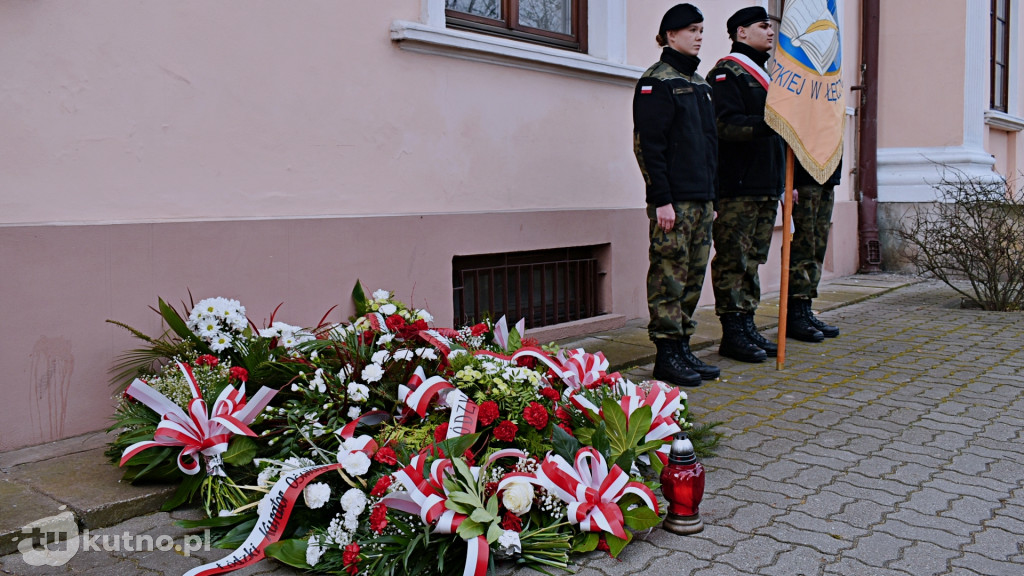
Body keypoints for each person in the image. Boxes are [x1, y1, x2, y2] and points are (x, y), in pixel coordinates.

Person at [633, 3, 719, 387]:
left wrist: (711, 199)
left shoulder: (700, 85)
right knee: (669, 276)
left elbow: (709, 147)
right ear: (671, 35)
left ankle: (683, 346)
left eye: (701, 30)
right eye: (692, 30)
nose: (700, 36)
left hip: (700, 201)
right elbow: (649, 146)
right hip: (674, 203)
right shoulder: (657, 82)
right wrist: (661, 199)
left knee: (692, 277)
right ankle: (666, 354)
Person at [708, 6, 788, 363]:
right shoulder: (727, 74)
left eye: (770, 26)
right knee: (733, 261)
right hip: (738, 186)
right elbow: (724, 127)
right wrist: (768, 123)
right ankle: (732, 332)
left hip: (764, 184)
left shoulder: (765, 74)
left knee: (753, 259)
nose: (770, 31)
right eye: (762, 26)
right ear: (741, 33)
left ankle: (747, 321)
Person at [787, 161, 843, 339]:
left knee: (817, 249)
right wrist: (791, 182)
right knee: (802, 248)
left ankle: (805, 309)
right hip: (804, 178)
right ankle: (796, 314)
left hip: (826, 176)